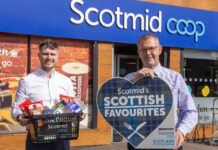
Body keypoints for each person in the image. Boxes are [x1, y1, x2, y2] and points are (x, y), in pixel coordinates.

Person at [124, 34, 198, 150]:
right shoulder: (129, 79)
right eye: (144, 50)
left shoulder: (175, 78)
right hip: (138, 142)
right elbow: (118, 109)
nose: (148, 53)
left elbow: (191, 111)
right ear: (139, 53)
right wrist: (134, 83)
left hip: (168, 142)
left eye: (151, 48)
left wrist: (181, 132)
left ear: (159, 49)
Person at [11, 39, 85, 150]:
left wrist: (79, 114)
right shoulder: (27, 81)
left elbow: (72, 105)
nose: (49, 57)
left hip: (62, 137)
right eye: (45, 54)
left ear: (57, 56)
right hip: (37, 137)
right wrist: (19, 117)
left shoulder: (66, 81)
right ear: (39, 56)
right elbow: (16, 109)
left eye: (52, 54)